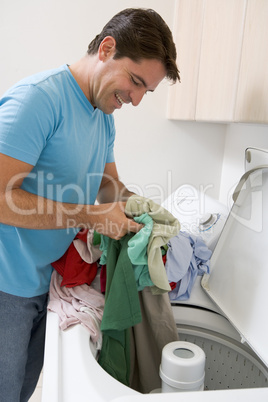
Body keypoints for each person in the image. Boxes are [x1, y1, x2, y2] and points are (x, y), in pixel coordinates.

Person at [0, 7, 180, 402]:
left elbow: (110, 190)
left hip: (43, 283)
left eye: (145, 92)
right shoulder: (38, 100)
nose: (134, 100)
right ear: (107, 48)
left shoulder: (103, 117)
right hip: (5, 284)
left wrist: (149, 215)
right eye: (134, 83)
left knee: (20, 391)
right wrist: (87, 215)